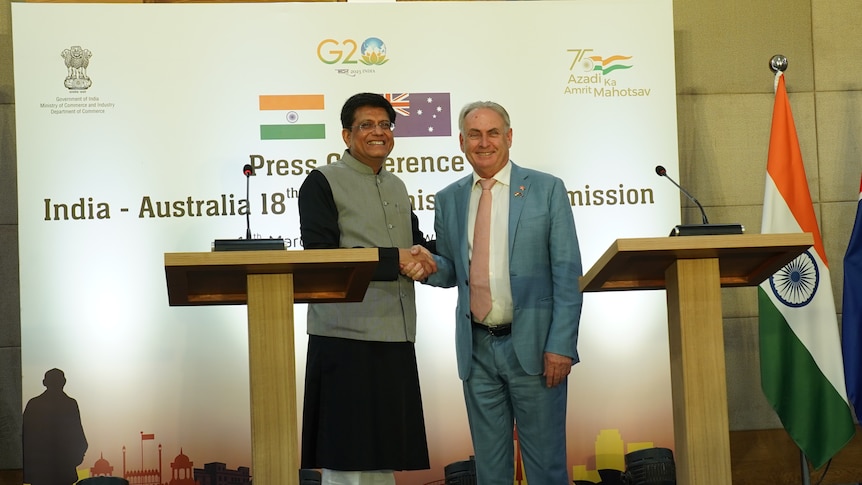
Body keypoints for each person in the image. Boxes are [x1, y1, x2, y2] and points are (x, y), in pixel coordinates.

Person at [412, 101, 583, 484]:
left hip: (537, 350)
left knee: (547, 470)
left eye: (492, 133)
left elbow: (568, 274)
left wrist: (561, 345)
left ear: (509, 137)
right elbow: (455, 270)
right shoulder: (449, 198)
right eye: (474, 134)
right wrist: (428, 267)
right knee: (490, 472)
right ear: (461, 141)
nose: (483, 142)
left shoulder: (546, 189)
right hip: (477, 352)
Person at [297, 92, 436, 485]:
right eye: (366, 125)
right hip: (344, 336)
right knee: (347, 455)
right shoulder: (322, 182)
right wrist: (400, 260)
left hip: (396, 332)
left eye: (385, 125)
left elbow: (415, 243)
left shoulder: (396, 185)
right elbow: (323, 256)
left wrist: (433, 256)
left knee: (381, 456)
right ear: (346, 135)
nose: (378, 133)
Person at [22, 368, 89, 485]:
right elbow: (78, 436)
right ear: (64, 382)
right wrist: (73, 460)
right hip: (63, 469)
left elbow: (24, 437)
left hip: (40, 470)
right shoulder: (70, 404)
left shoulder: (34, 404)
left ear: (44, 382)